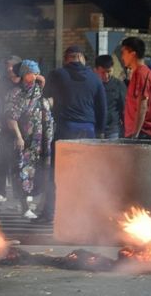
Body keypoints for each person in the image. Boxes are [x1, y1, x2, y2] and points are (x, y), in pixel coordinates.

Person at [35, 45, 107, 224]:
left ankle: (49, 214)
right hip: (88, 130)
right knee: (86, 174)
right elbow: (102, 108)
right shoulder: (95, 78)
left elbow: (46, 94)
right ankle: (86, 215)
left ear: (67, 58)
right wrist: (100, 131)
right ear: (81, 58)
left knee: (57, 173)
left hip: (65, 129)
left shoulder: (58, 75)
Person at [5, 60, 54, 219]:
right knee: (22, 172)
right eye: (31, 73)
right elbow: (11, 117)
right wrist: (18, 137)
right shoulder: (17, 93)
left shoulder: (37, 90)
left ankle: (37, 204)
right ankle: (24, 206)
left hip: (39, 140)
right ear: (24, 74)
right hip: (24, 139)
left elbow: (42, 82)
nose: (35, 76)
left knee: (40, 172)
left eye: (36, 72)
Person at [0, 56, 22, 202]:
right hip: (5, 125)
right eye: (8, 65)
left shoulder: (25, 82)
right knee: (2, 158)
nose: (9, 68)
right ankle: (1, 191)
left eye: (12, 66)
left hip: (22, 127)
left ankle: (20, 192)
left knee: (19, 160)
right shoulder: (3, 82)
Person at [121, 37, 151, 140]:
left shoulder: (140, 74)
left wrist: (135, 134)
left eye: (123, 53)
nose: (122, 57)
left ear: (132, 54)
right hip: (142, 132)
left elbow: (142, 106)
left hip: (142, 133)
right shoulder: (144, 73)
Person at [94, 55, 126, 139]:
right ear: (96, 70)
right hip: (95, 128)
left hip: (113, 129)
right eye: (102, 72)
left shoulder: (119, 85)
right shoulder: (92, 84)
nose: (106, 75)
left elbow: (124, 108)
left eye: (109, 71)